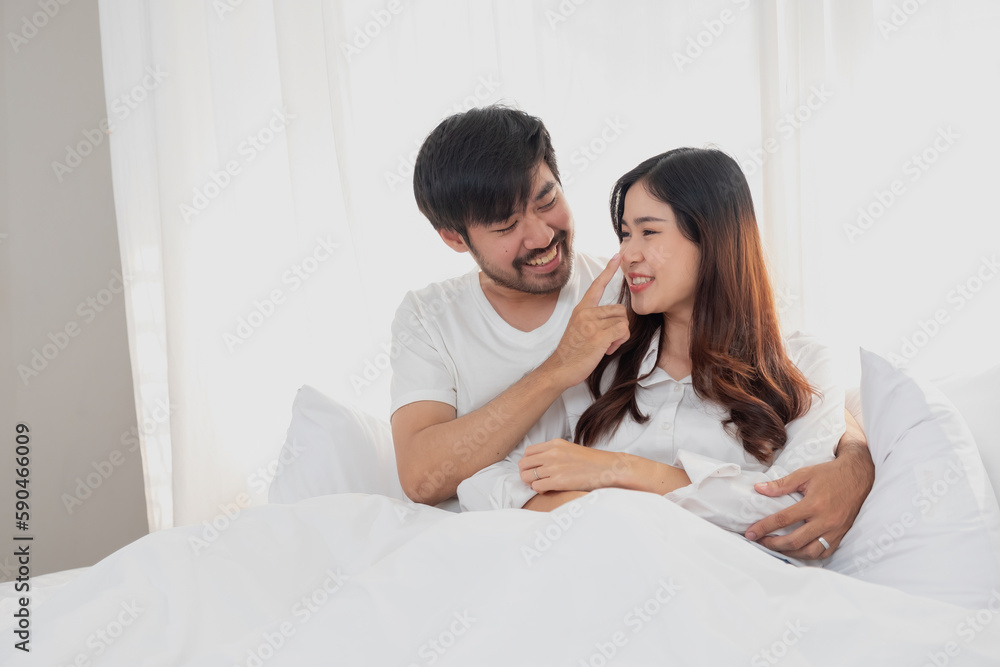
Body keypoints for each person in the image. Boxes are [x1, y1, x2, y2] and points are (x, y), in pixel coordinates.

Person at [390, 105, 873, 560]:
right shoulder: (436, 318)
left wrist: (855, 460)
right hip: (555, 556)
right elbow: (433, 477)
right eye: (506, 225)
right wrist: (561, 371)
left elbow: (781, 370)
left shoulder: (635, 294)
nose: (539, 237)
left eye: (548, 200)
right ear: (455, 238)